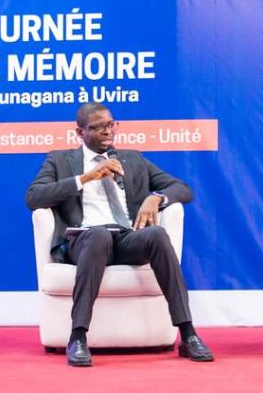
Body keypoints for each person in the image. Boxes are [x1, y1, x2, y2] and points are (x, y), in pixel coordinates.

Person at [24, 102, 213, 367]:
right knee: (99, 235)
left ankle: (188, 334)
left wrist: (156, 198)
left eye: (110, 125)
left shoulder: (132, 158)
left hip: (125, 238)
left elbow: (182, 188)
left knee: (157, 234)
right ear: (80, 132)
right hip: (84, 239)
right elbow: (33, 197)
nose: (107, 132)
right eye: (98, 127)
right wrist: (85, 178)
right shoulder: (59, 159)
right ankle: (77, 337)